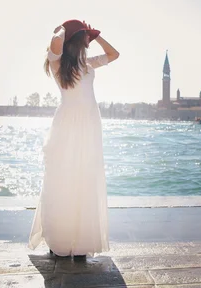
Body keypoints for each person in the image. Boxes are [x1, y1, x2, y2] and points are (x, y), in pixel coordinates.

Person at [28, 19, 119, 258]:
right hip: (67, 125)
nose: (86, 46)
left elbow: (114, 54)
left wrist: (94, 34)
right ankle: (59, 239)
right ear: (73, 42)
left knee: (84, 178)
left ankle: (80, 242)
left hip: (89, 125)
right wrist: (64, 28)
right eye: (83, 41)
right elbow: (57, 42)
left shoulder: (88, 65)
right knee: (62, 177)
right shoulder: (57, 64)